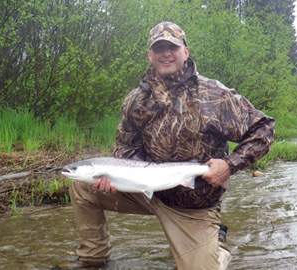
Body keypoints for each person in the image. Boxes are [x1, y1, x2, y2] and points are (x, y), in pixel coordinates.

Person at [57, 22, 275, 269]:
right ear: (150, 55)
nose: (166, 53)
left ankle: (219, 246)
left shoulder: (215, 95)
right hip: (146, 192)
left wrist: (229, 165)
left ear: (186, 51)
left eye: (172, 47)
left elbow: (265, 128)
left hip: (192, 206)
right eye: (158, 48)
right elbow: (126, 148)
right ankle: (93, 258)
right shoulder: (136, 100)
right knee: (81, 187)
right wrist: (115, 181)